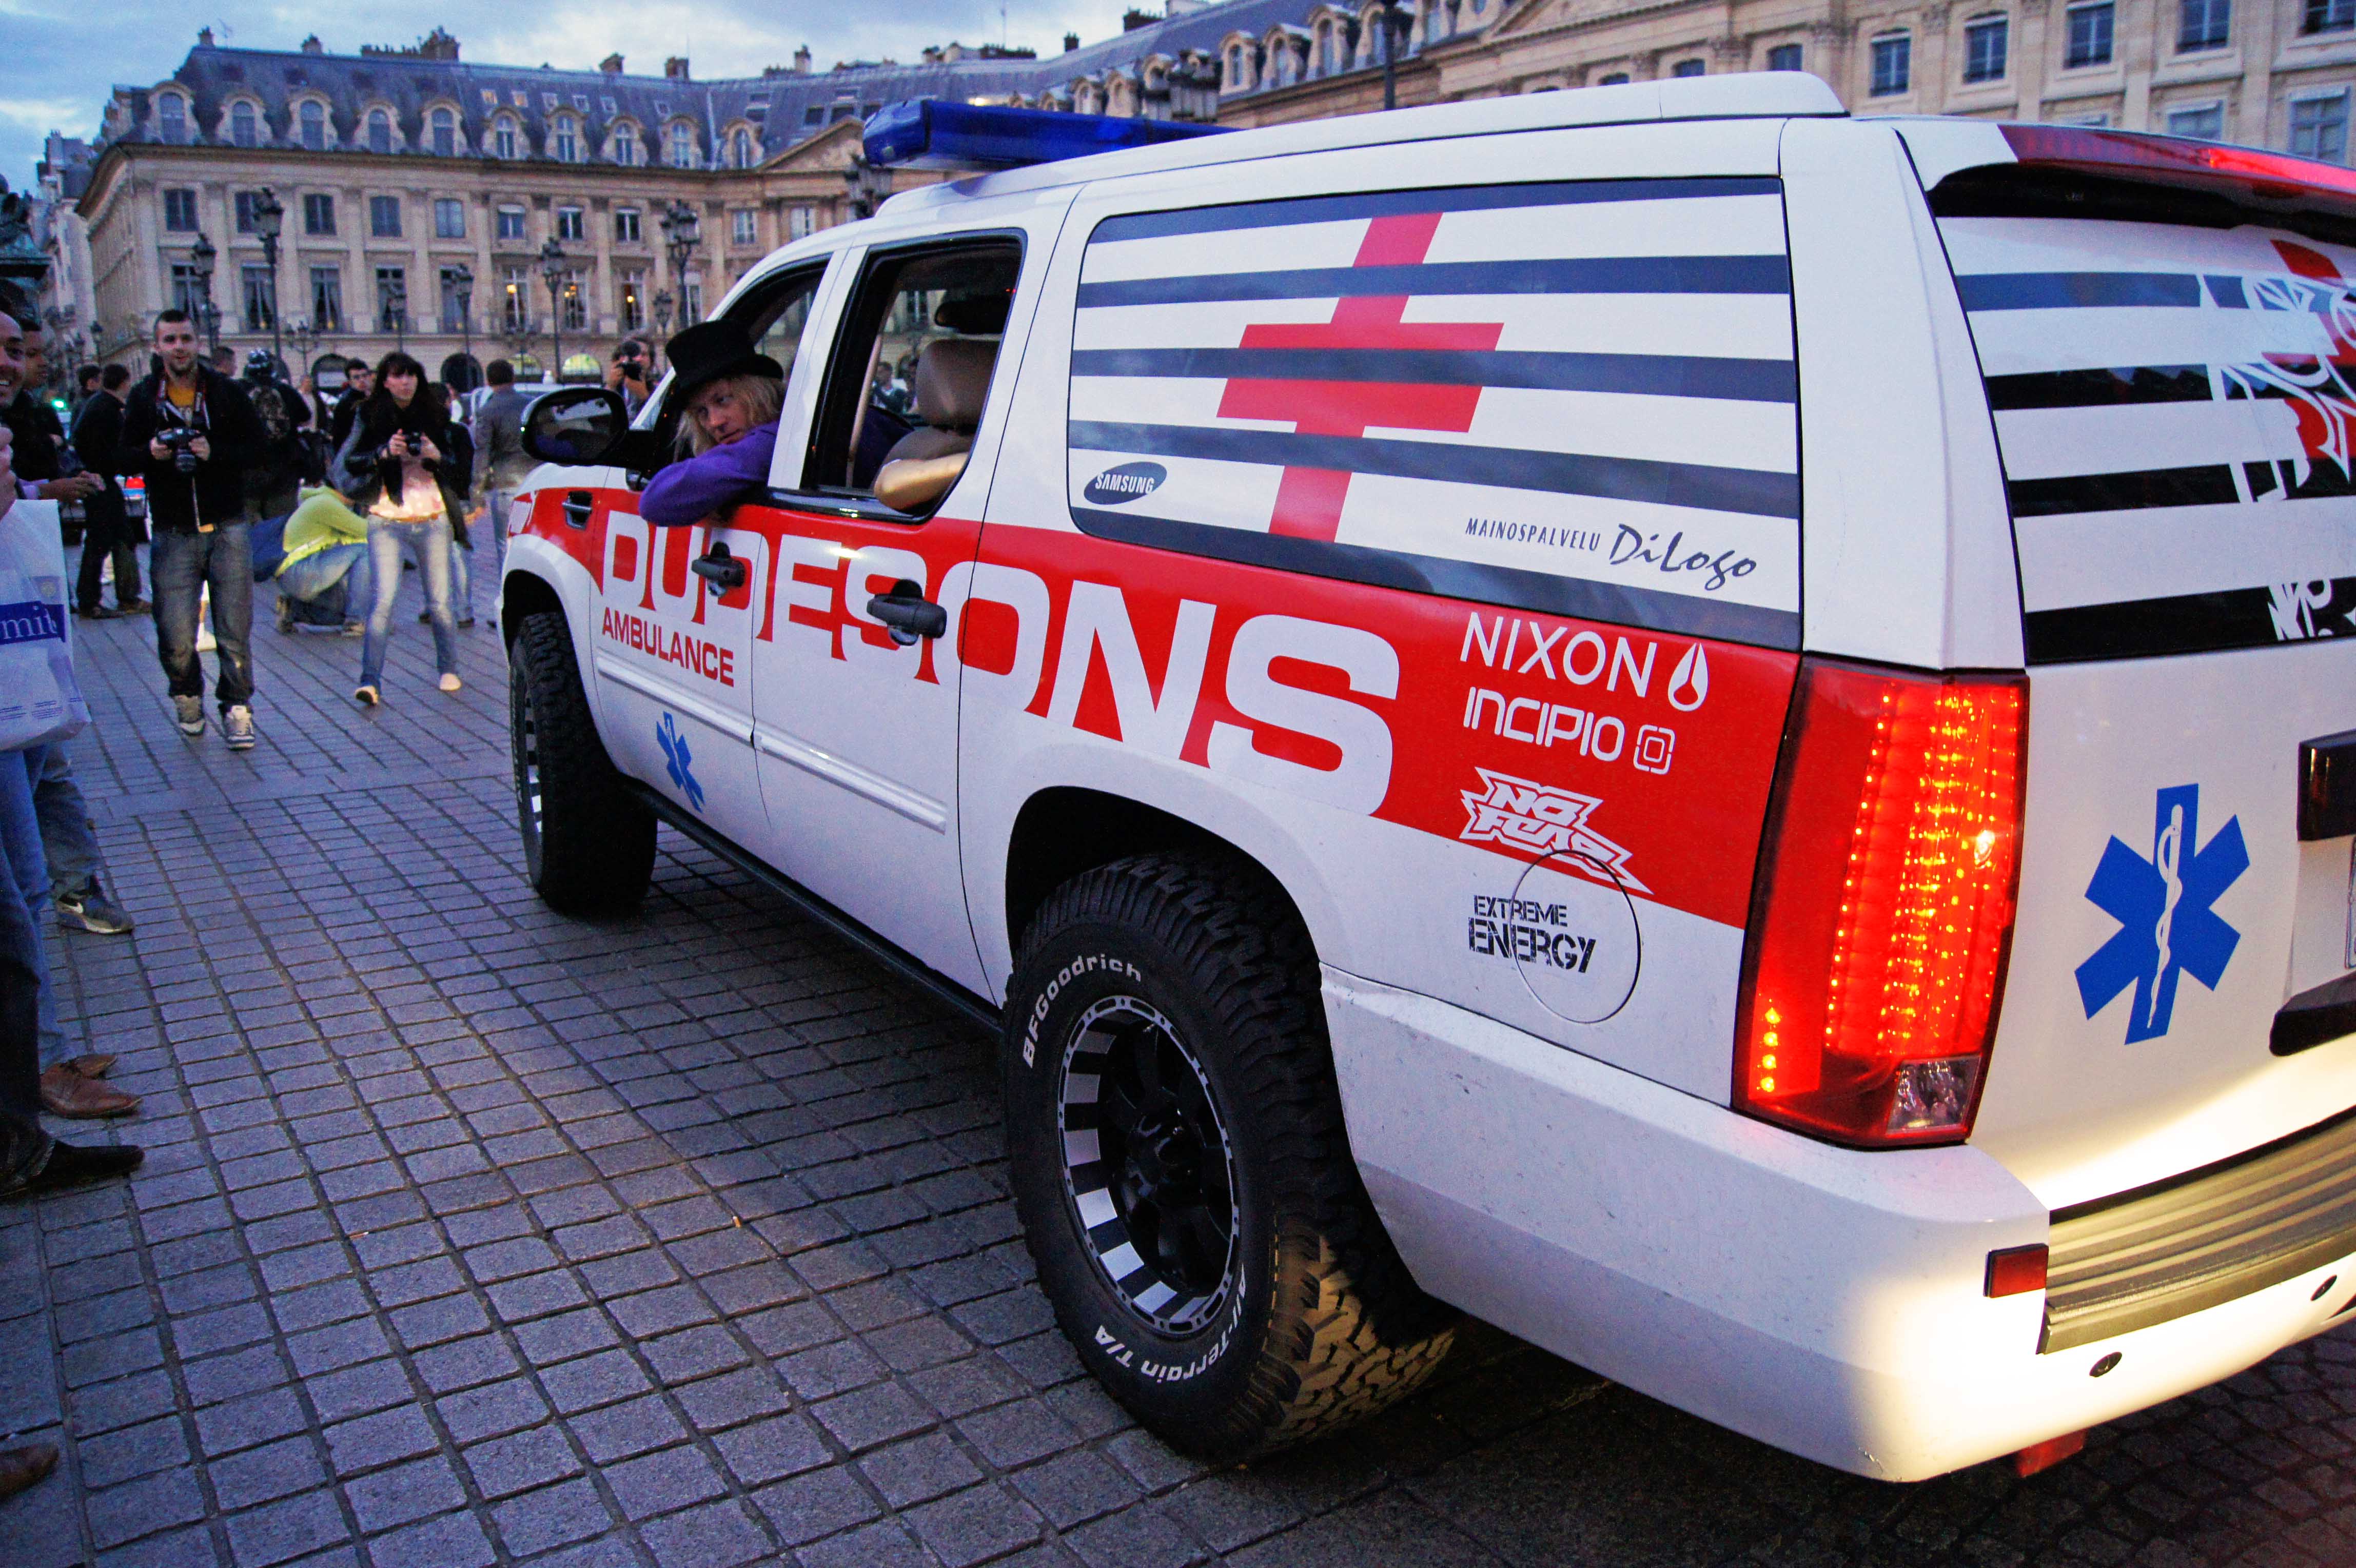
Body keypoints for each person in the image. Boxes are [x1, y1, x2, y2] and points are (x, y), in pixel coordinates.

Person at [117, 308, 266, 749]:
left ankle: (237, 707)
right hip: (173, 529)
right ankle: (186, 694)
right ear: (157, 346)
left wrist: (213, 451)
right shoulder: (144, 398)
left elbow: (259, 448)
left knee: (234, 629)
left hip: (227, 526)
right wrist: (149, 452)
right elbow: (121, 457)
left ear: (198, 343)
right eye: (170, 340)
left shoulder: (226, 392)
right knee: (175, 634)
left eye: (185, 338)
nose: (179, 347)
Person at [332, 351, 464, 703]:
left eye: (411, 375)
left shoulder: (436, 413)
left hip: (433, 517)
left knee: (440, 602)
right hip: (386, 517)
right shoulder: (369, 414)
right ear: (385, 381)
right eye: (397, 376)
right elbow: (349, 461)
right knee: (383, 601)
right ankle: (370, 681)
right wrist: (383, 452)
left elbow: (458, 466)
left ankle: (449, 668)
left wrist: (436, 456)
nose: (405, 382)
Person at [638, 320, 786, 529]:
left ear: (757, 392)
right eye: (702, 412)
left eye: (723, 400)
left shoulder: (769, 442)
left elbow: (654, 502)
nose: (715, 422)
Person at [71, 364, 145, 617]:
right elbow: (111, 451)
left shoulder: (98, 404)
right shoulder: (108, 410)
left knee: (119, 536)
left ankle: (126, 596)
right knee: (102, 540)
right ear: (124, 382)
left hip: (98, 479)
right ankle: (92, 601)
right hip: (100, 481)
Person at [471, 358, 533, 573]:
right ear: (513, 378)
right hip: (537, 480)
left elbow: (482, 452)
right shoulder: (530, 404)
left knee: (506, 543)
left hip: (507, 482)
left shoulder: (488, 411)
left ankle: (510, 586)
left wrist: (477, 491)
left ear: (488, 381)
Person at [240, 348, 312, 524]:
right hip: (284, 465)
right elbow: (306, 418)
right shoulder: (286, 390)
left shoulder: (239, 390)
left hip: (249, 467)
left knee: (250, 522)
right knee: (282, 523)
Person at [328, 356, 374, 451]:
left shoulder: (375, 398)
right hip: (355, 452)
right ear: (350, 381)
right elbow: (339, 436)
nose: (362, 380)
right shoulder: (345, 403)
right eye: (356, 377)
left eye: (364, 376)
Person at [606, 338, 655, 419]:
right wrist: (610, 387)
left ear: (651, 361)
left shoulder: (661, 387)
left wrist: (645, 397)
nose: (638, 359)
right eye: (633, 354)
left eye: (644, 354)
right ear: (620, 359)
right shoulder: (615, 387)